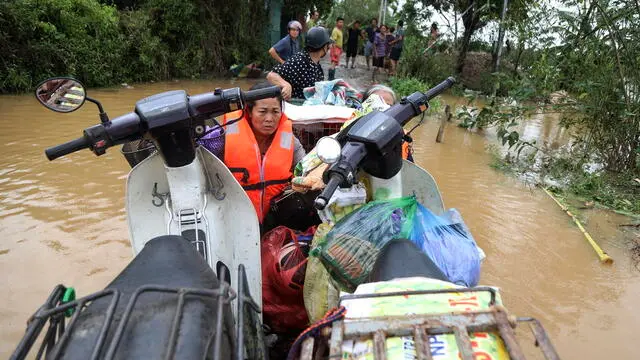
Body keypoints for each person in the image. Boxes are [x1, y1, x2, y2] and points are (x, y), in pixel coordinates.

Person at [198, 82, 306, 225]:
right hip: (233, 216)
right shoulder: (222, 138)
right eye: (262, 111)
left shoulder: (290, 141)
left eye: (275, 111)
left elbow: (306, 167)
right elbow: (200, 159)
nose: (269, 118)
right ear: (249, 112)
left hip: (273, 215)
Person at [266, 26, 332, 100]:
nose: (329, 47)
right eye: (328, 45)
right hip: (294, 107)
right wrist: (286, 85)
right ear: (324, 47)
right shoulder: (299, 61)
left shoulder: (317, 66)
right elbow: (271, 75)